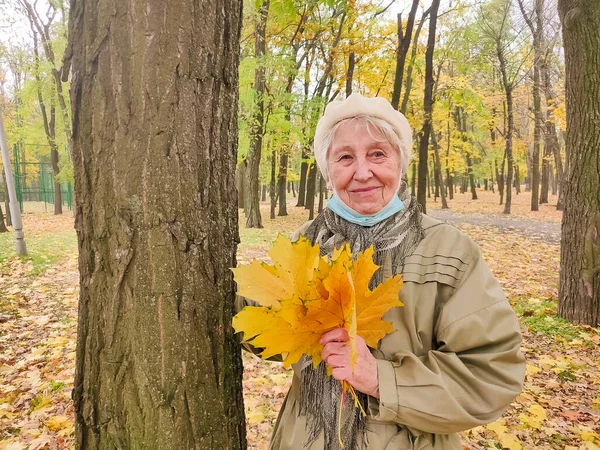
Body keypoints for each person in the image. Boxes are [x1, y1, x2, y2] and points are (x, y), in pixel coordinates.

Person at [244, 93, 525, 450]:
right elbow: (260, 337)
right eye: (345, 157)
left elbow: (492, 375)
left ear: (401, 162)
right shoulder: (303, 247)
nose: (363, 172)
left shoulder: (450, 252)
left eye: (377, 154)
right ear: (328, 169)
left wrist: (380, 379)